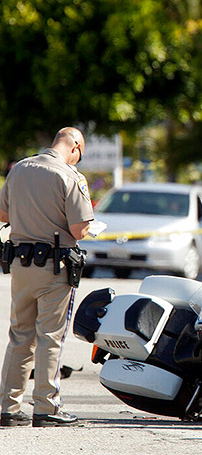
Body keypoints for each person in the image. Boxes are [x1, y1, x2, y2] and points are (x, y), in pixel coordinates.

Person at [0, 127, 94, 427]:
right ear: (75, 147)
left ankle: (8, 407)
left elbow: (3, 215)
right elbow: (80, 230)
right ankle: (46, 407)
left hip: (19, 263)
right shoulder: (69, 176)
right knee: (50, 337)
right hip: (54, 269)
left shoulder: (19, 169)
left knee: (19, 336)